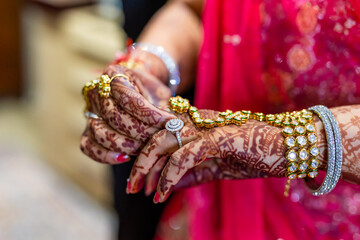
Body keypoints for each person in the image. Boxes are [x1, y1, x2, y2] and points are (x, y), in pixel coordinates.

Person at [80, 0, 360, 239]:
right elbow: (195, 10)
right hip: (215, 194)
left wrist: (276, 143)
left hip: (333, 216)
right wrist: (147, 66)